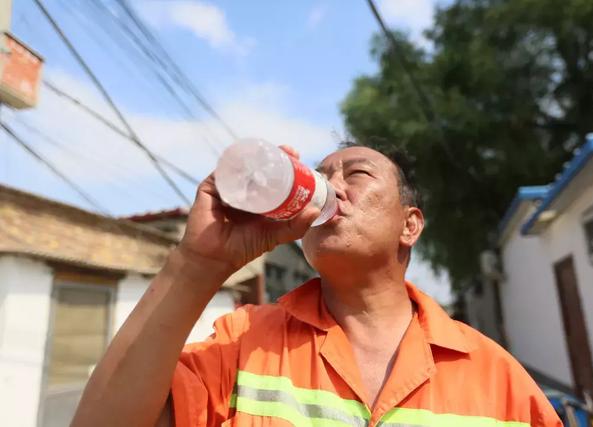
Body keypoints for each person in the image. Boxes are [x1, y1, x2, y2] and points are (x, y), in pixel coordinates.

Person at [72, 145, 562, 427]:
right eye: (323, 176)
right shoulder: (243, 343)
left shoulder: (499, 378)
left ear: (410, 225)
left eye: (358, 174)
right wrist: (196, 264)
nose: (334, 187)